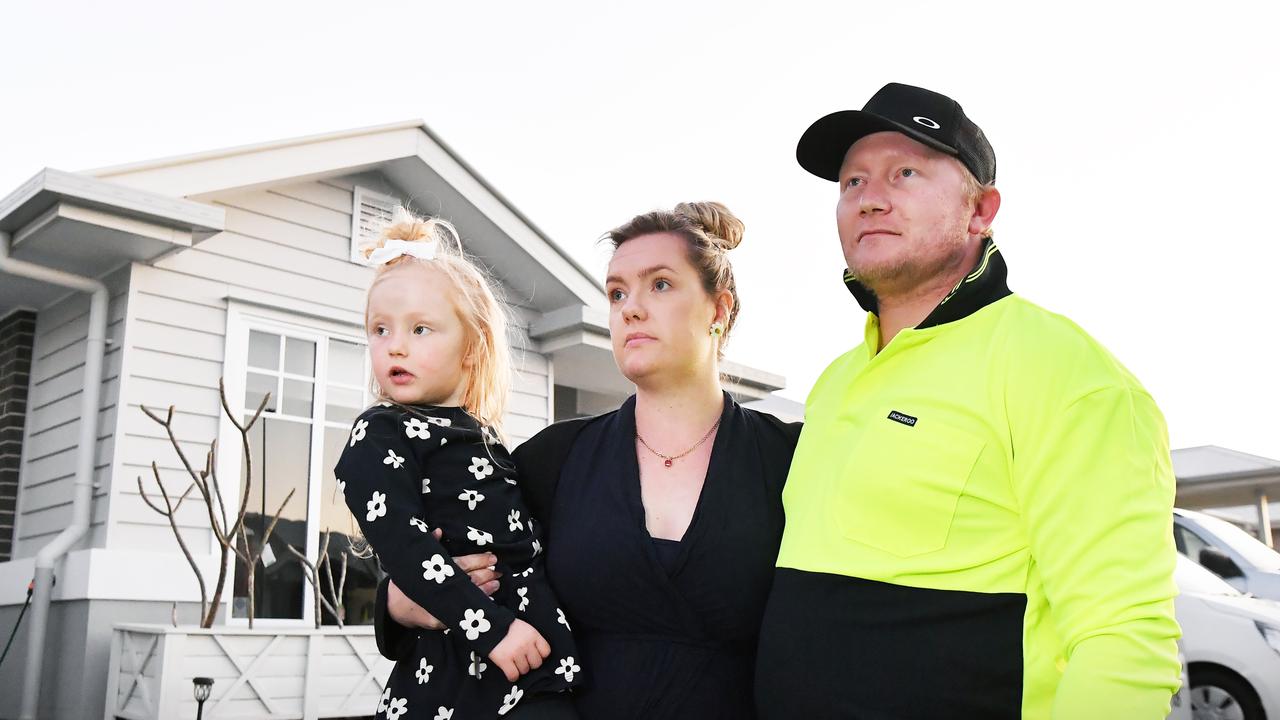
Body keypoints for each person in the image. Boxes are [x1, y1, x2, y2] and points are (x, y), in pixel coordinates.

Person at [754, 82, 1182, 719]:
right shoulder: (836, 379)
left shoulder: (1064, 371)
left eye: (904, 173)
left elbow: (1125, 638)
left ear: (982, 210)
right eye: (851, 183)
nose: (870, 199)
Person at [377, 202, 801, 719]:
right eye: (617, 292)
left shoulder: (792, 459)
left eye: (660, 285)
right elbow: (456, 561)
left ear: (719, 310)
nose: (630, 308)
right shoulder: (552, 460)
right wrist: (397, 605)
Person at [335, 208, 580, 720]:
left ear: (472, 347)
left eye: (420, 328)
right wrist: (493, 630)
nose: (394, 344)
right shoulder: (382, 429)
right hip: (458, 673)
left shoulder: (481, 435)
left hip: (532, 661)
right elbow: (406, 549)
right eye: (380, 329)